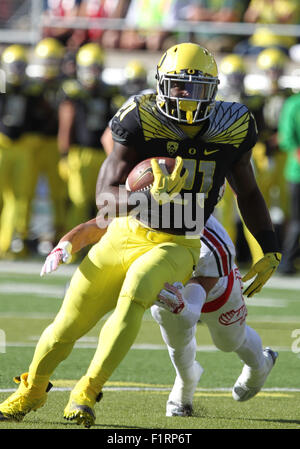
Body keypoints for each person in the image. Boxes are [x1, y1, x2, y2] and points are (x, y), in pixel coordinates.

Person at [0, 43, 281, 428]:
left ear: (214, 90)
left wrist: (270, 248)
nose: (187, 97)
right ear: (162, 84)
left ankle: (86, 391)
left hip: (178, 242)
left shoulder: (232, 125)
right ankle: (32, 389)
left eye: (197, 88)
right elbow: (104, 194)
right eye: (179, 86)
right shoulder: (140, 116)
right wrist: (142, 195)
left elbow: (247, 191)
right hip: (126, 230)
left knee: (136, 290)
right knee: (68, 322)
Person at [39, 211, 278, 417]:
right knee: (166, 319)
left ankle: (260, 365)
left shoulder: (211, 243)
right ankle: (185, 381)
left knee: (228, 341)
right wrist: (67, 244)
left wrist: (181, 306)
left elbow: (192, 311)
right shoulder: (145, 206)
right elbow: (100, 224)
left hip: (215, 290)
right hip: (171, 287)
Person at [57, 42, 116, 229]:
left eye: (95, 68)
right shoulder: (73, 92)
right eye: (88, 69)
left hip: (102, 154)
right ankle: (71, 244)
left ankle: (94, 244)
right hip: (79, 153)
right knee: (79, 201)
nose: (92, 73)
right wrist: (64, 155)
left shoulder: (110, 93)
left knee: (101, 202)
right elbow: (66, 125)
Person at [277, 92, 300, 274]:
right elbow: (287, 139)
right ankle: (287, 261)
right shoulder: (293, 104)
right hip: (297, 173)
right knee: (296, 221)